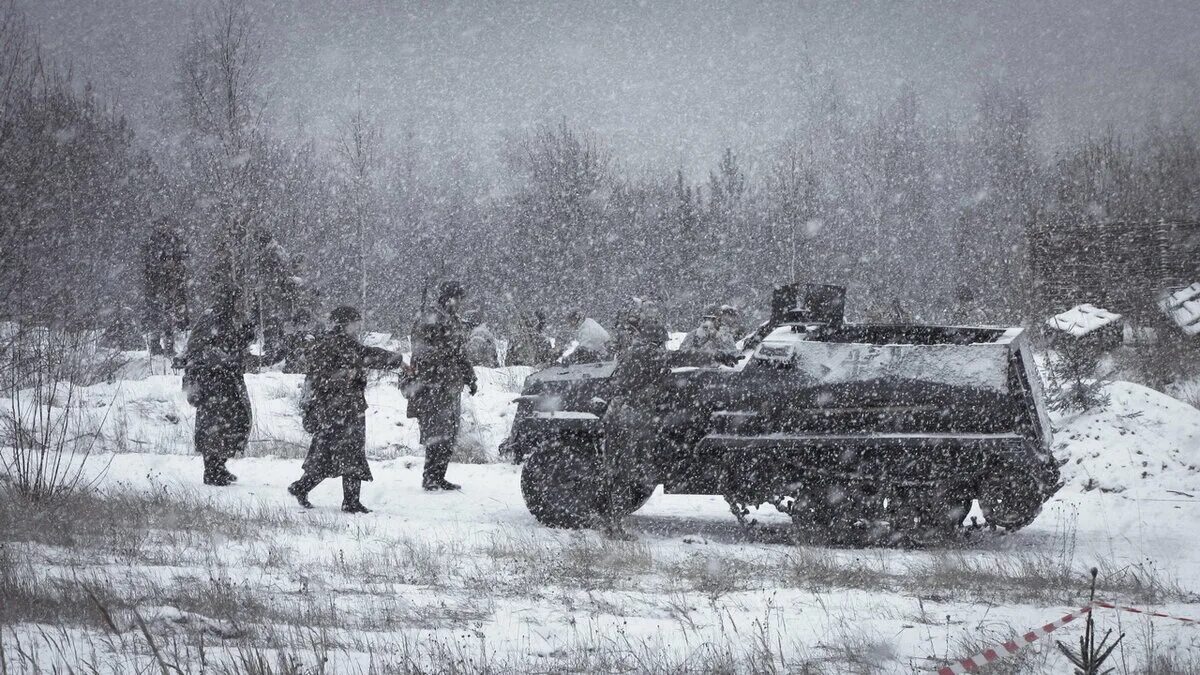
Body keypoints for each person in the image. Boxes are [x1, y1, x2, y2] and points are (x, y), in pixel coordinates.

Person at [599, 317, 738, 540]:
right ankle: (612, 526)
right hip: (627, 419)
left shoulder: (639, 351)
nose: (663, 345)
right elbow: (677, 357)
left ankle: (611, 523)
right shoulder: (645, 353)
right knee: (624, 475)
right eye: (661, 341)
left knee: (621, 475)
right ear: (654, 340)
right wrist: (714, 356)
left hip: (625, 416)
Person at [287, 306, 407, 513]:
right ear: (345, 323)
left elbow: (367, 355)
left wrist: (397, 360)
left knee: (327, 454)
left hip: (341, 409)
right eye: (355, 322)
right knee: (349, 453)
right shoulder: (333, 344)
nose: (358, 326)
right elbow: (324, 377)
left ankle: (302, 487)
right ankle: (350, 502)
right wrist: (346, 377)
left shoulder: (340, 343)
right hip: (341, 409)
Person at [407, 281, 477, 491]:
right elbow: (419, 351)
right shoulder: (429, 318)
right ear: (447, 297)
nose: (459, 303)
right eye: (456, 298)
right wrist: (446, 354)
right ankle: (430, 478)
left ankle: (439, 476)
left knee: (449, 432)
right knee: (435, 432)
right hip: (431, 385)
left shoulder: (454, 320)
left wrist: (470, 376)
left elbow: (460, 352)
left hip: (450, 385)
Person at [184, 296, 254, 486]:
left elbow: (236, 344)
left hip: (230, 381)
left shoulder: (232, 318)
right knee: (213, 428)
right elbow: (197, 348)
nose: (240, 305)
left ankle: (220, 465)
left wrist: (246, 333)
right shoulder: (211, 318)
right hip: (212, 383)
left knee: (236, 423)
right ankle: (212, 471)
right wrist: (221, 361)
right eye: (237, 300)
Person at [142, 216, 189, 356]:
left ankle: (169, 347)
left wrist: (175, 267)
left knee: (170, 317)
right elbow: (148, 264)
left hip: (171, 285)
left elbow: (184, 257)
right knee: (155, 316)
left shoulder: (174, 240)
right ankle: (155, 346)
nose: (163, 228)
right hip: (156, 286)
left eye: (165, 225)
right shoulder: (152, 242)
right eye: (161, 225)